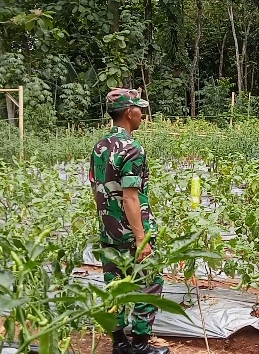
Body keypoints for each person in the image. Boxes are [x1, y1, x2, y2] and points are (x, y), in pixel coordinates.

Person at [89, 88, 169, 354]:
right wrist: (140, 238)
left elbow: (97, 190)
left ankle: (119, 344)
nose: (142, 114)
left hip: (108, 228)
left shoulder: (99, 146)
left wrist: (108, 221)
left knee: (114, 284)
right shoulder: (132, 148)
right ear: (128, 112)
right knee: (148, 282)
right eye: (139, 109)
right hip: (132, 230)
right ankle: (140, 345)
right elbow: (131, 197)